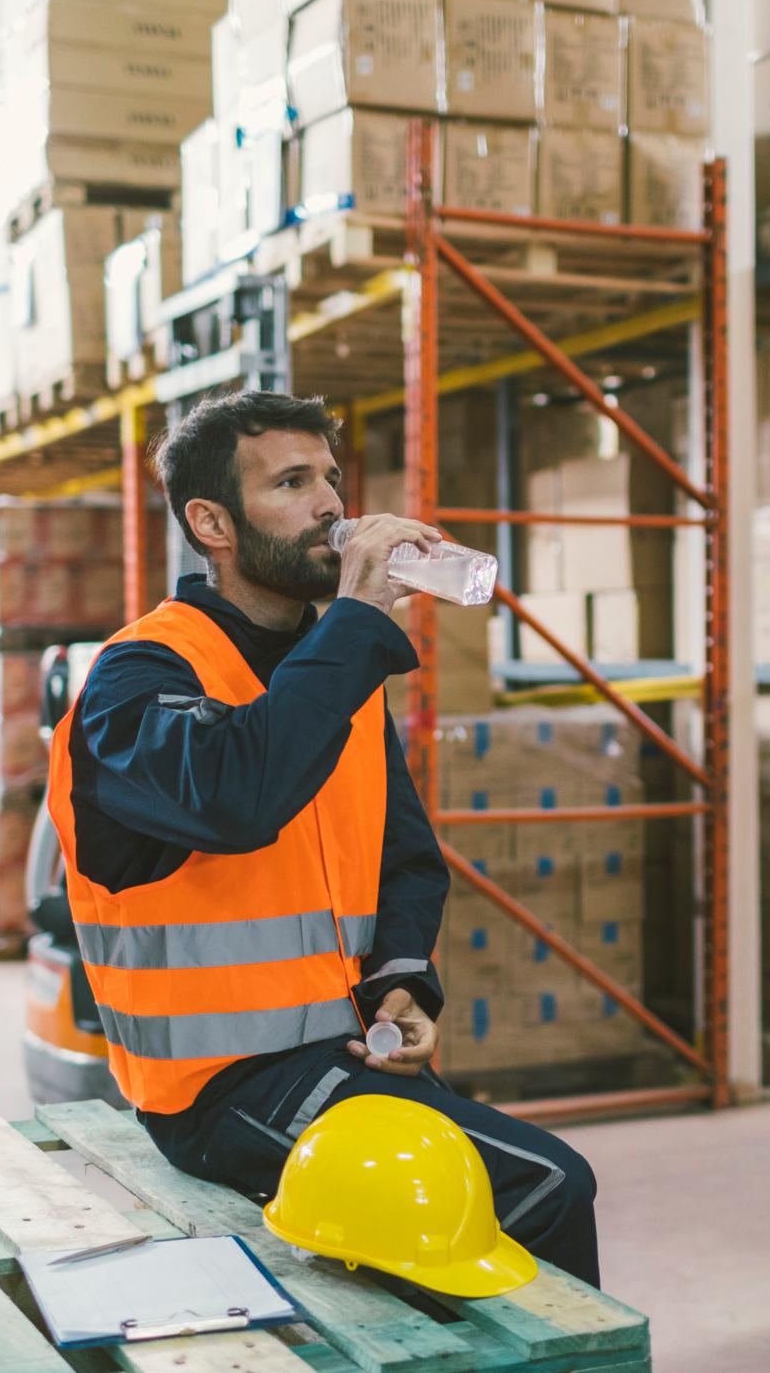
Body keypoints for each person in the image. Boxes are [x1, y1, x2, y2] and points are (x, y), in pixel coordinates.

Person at [44, 389, 602, 1287]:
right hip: (216, 1088)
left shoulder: (330, 674)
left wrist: (401, 982)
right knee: (543, 1189)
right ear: (211, 523)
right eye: (293, 483)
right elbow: (235, 797)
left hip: (341, 1050)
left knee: (447, 1234)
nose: (332, 507)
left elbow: (402, 857)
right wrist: (356, 624)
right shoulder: (139, 675)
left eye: (332, 480)